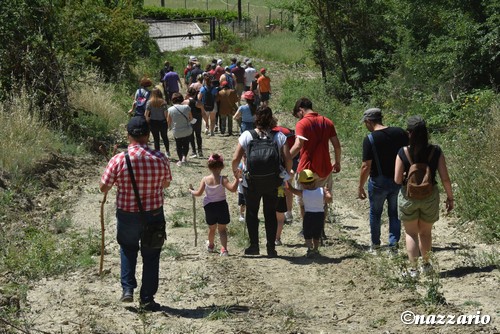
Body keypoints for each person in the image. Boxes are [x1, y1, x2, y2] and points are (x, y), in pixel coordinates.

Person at [99, 116, 172, 312]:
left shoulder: (119, 159)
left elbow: (103, 187)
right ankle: (147, 298)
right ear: (148, 135)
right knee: (151, 255)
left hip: (127, 214)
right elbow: (166, 183)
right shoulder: (160, 157)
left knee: (128, 249)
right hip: (154, 214)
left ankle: (128, 289)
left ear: (128, 135)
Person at [395, 115, 454, 278]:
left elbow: (397, 179)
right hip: (430, 196)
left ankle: (413, 270)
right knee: (426, 233)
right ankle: (426, 266)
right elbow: (445, 178)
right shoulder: (436, 151)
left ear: (409, 133)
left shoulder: (403, 152)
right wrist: (450, 198)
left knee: (411, 233)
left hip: (408, 196)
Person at [232, 106, 292, 258]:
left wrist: (237, 173)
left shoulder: (247, 135)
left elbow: (235, 159)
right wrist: (284, 173)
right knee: (270, 214)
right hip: (273, 181)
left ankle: (254, 246)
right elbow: (288, 159)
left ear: (256, 118)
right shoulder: (279, 136)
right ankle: (271, 248)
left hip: (251, 182)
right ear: (271, 119)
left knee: (252, 213)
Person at [358, 108, 409, 253]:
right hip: (398, 179)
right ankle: (393, 246)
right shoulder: (400, 132)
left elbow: (366, 166)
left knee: (375, 213)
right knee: (395, 213)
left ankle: (375, 245)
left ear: (368, 121)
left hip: (378, 181)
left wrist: (360, 186)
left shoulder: (370, 139)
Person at [289, 97, 341, 233]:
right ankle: (320, 230)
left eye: (297, 115)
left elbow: (298, 145)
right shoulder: (327, 122)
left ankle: (306, 229)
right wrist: (338, 162)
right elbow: (336, 145)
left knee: (302, 201)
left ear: (301, 110)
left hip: (307, 168)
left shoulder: (302, 124)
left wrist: (285, 158)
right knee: (322, 200)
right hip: (324, 168)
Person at [190, 154, 239, 256]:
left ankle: (211, 246)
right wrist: (237, 179)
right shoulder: (223, 179)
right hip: (221, 206)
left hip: (209, 207)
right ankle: (224, 249)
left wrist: (191, 191)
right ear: (222, 166)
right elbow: (233, 189)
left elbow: (198, 193)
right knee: (222, 229)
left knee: (211, 228)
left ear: (209, 167)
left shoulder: (205, 179)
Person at [286, 169, 332, 257]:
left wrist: (286, 180)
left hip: (308, 215)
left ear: (302, 184)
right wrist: (327, 192)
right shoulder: (321, 190)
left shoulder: (303, 192)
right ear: (314, 181)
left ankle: (309, 248)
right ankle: (316, 249)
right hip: (319, 215)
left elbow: (290, 189)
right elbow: (329, 199)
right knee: (317, 233)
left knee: (307, 233)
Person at [167, 92, 193, 166]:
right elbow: (191, 118)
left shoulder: (170, 109)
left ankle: (180, 160)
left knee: (178, 145)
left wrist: (169, 127)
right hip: (187, 129)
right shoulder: (187, 107)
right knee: (186, 144)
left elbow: (168, 121)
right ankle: (184, 157)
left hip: (177, 130)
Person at [144, 88, 170, 157]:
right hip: (162, 122)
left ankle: (157, 153)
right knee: (165, 137)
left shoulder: (149, 102)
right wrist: (168, 122)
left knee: (156, 138)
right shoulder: (163, 102)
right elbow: (166, 114)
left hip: (153, 122)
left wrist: (147, 121)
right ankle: (167, 151)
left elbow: (146, 114)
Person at [183, 87, 207, 158]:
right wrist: (206, 122)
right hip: (198, 120)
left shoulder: (185, 102)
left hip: (189, 120)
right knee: (198, 135)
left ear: (188, 94)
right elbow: (203, 113)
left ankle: (193, 151)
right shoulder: (198, 103)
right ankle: (200, 150)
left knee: (191, 136)